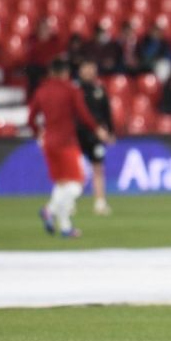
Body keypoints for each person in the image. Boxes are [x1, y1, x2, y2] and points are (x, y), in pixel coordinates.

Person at [28, 58, 110, 238]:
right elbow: (83, 114)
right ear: (65, 73)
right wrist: (97, 129)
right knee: (76, 185)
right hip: (66, 142)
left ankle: (65, 228)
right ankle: (49, 210)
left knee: (62, 184)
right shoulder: (70, 90)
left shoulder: (41, 91)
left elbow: (31, 118)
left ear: (51, 73)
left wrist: (38, 133)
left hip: (48, 143)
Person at [76, 59, 116, 215]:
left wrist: (111, 132)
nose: (89, 71)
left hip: (96, 135)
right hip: (78, 134)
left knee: (98, 168)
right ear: (80, 70)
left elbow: (107, 113)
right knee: (74, 170)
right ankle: (70, 202)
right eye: (86, 68)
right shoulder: (75, 90)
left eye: (91, 68)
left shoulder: (100, 89)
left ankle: (100, 202)